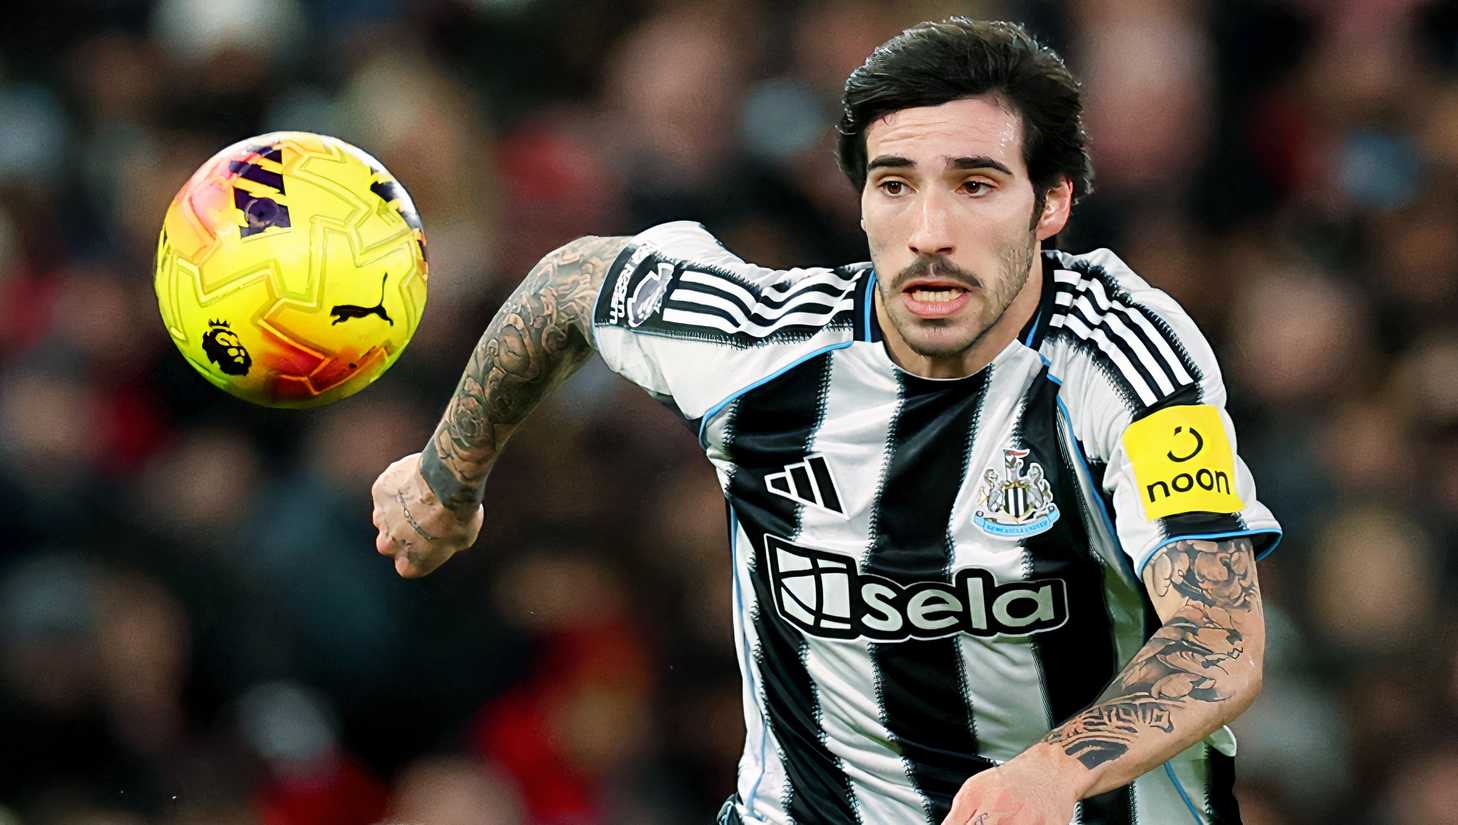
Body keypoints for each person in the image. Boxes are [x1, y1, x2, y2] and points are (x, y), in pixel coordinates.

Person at [370, 17, 1280, 825]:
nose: (929, 230)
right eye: (896, 185)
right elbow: (572, 284)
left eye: (975, 185)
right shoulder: (762, 345)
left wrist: (1051, 772)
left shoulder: (1121, 356)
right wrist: (448, 473)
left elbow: (1218, 635)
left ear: (1052, 203)